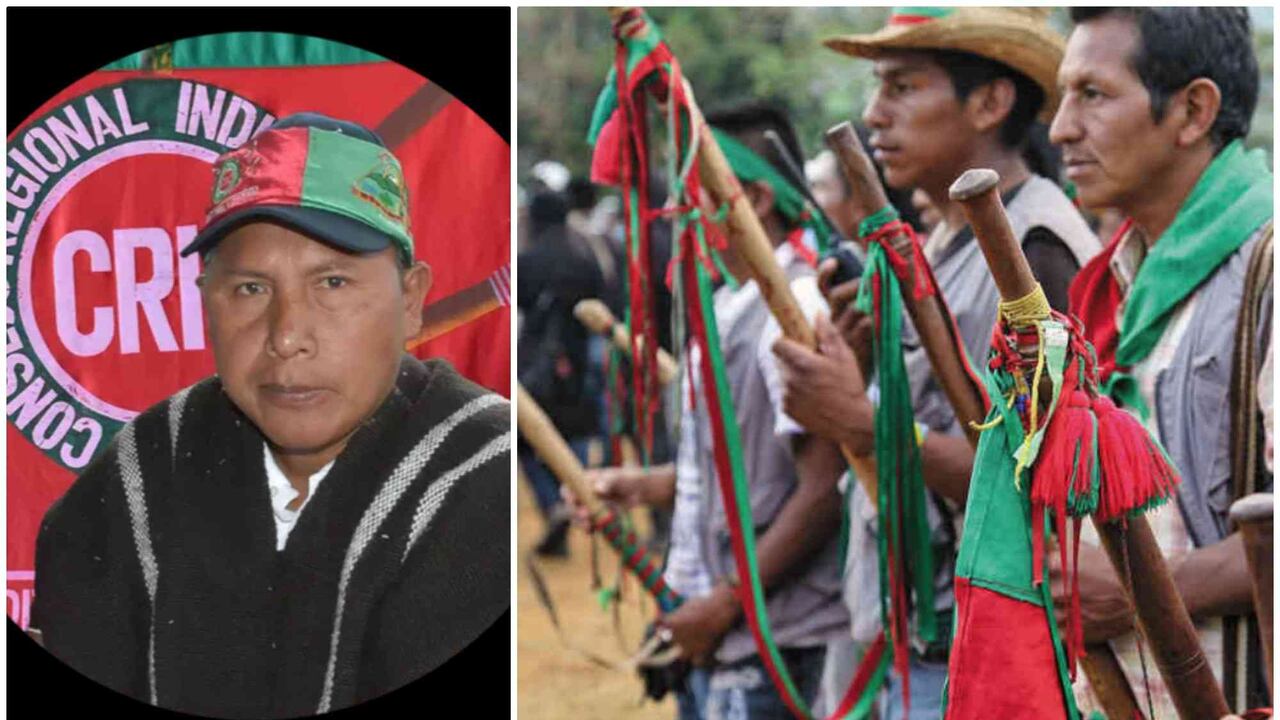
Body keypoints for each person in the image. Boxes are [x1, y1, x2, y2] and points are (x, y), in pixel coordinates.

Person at [31, 113, 511, 718]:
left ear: (411, 301)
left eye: (333, 283)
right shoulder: (137, 480)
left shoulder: (482, 476)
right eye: (250, 289)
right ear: (205, 300)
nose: (287, 337)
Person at [774, 9, 1100, 718]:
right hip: (917, 642)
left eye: (902, 87)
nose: (872, 114)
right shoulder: (946, 239)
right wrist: (858, 363)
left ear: (989, 102)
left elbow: (1044, 491)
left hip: (986, 654)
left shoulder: (1035, 248)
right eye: (876, 88)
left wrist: (863, 422)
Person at [574, 102, 849, 720]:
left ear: (751, 195)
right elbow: (748, 471)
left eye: (692, 195)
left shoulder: (794, 307)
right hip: (721, 634)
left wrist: (724, 604)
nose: (679, 214)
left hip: (781, 643)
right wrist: (640, 487)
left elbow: (823, 489)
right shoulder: (733, 304)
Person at [1053, 8, 1272, 714]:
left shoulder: (1269, 269)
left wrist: (1141, 590)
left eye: (1094, 94)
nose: (1061, 128)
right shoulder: (1119, 280)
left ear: (1192, 110)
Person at [517, 186, 606, 556]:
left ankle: (554, 502)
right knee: (576, 435)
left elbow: (520, 309)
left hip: (538, 369)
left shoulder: (531, 259)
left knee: (525, 442)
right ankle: (576, 497)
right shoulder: (585, 255)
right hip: (580, 363)